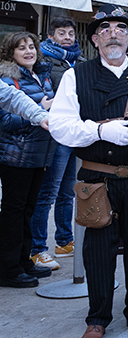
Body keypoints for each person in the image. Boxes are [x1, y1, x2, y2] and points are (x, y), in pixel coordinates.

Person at [49, 5, 128, 338]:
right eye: (104, 29)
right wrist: (100, 131)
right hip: (97, 178)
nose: (112, 34)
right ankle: (98, 318)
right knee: (98, 250)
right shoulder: (76, 75)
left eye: (120, 29)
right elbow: (60, 126)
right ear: (94, 40)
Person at [0, 33, 55, 288]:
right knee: (13, 211)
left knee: (27, 210)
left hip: (39, 154)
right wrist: (41, 112)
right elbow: (6, 120)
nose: (28, 51)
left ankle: (23, 262)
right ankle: (8, 268)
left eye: (32, 46)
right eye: (21, 48)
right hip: (16, 155)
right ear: (10, 52)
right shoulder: (7, 78)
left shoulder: (42, 75)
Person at [31, 17, 83, 269]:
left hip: (76, 132)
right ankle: (37, 248)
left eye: (71, 33)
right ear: (51, 36)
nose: (67, 37)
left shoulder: (79, 62)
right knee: (48, 193)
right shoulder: (43, 61)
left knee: (67, 192)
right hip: (55, 134)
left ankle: (64, 241)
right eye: (62, 33)